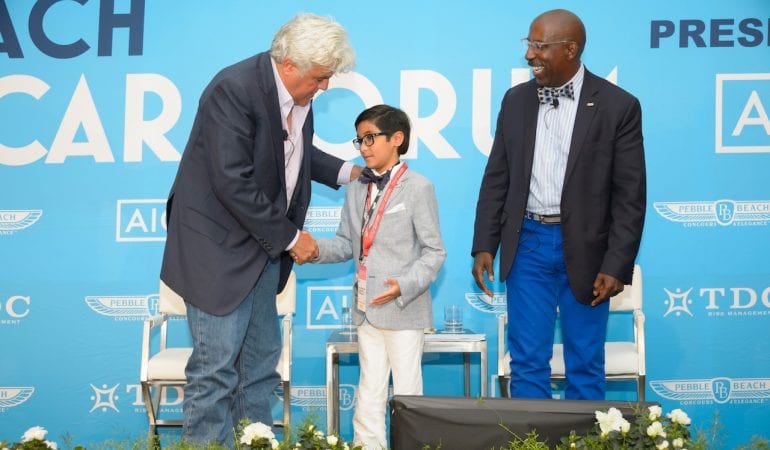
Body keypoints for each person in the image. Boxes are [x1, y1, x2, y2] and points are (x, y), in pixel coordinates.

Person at [159, 13, 359, 446]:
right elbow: (233, 178)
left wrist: (350, 173)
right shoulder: (234, 89)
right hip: (217, 250)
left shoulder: (297, 97)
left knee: (260, 366)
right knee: (216, 370)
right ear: (290, 64)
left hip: (261, 248)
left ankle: (254, 442)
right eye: (320, 78)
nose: (324, 88)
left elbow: (298, 153)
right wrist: (291, 238)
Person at [471, 9, 646, 400]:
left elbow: (629, 195)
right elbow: (497, 176)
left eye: (539, 46)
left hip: (587, 248)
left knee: (585, 360)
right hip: (528, 243)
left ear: (570, 50)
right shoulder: (515, 101)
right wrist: (485, 243)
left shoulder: (618, 106)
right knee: (527, 361)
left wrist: (615, 264)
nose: (530, 55)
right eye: (528, 44)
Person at [312, 105, 446, 450]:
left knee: (407, 391)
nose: (364, 147)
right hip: (366, 307)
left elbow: (434, 252)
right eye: (359, 140)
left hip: (404, 309)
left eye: (371, 138)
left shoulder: (419, 187)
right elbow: (346, 244)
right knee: (369, 387)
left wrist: (404, 285)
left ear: (397, 139)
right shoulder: (357, 188)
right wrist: (311, 250)